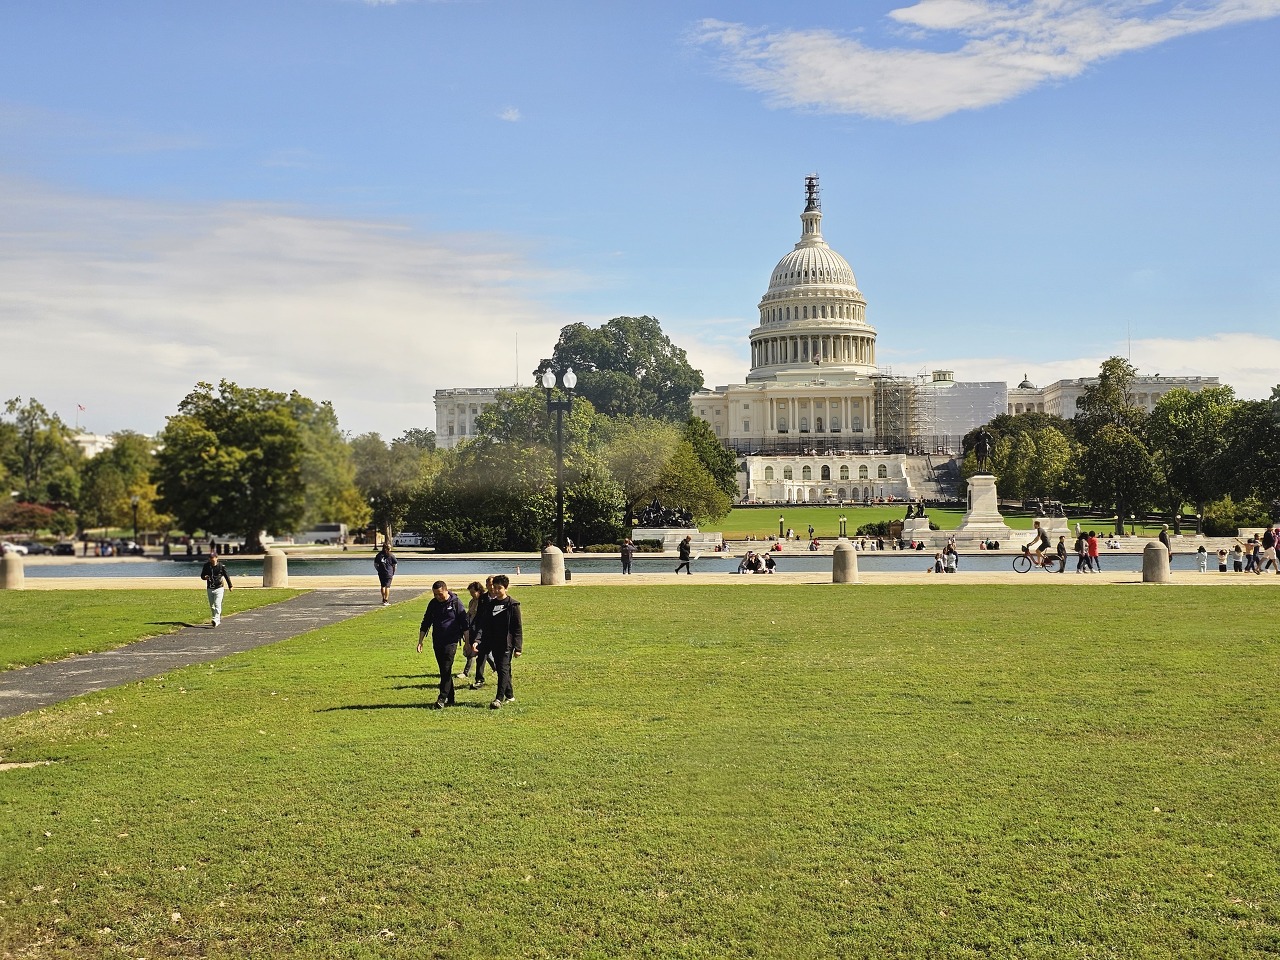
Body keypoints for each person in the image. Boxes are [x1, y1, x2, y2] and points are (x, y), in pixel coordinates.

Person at [471, 574, 522, 709]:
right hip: (493, 642)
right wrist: (477, 640)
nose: (497, 590)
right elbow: (483, 624)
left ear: (506, 588)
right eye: (495, 587)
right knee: (501, 669)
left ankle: (499, 698)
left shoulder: (513, 605)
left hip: (507, 644)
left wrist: (518, 647)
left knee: (503, 669)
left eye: (500, 588)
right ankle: (510, 695)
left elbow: (517, 628)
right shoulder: (491, 605)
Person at [417, 580, 469, 709]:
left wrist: (467, 642)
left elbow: (465, 624)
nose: (438, 596)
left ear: (446, 590)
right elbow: (426, 622)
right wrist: (420, 641)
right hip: (437, 640)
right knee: (444, 670)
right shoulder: (433, 604)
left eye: (440, 594)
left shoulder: (456, 602)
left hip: (451, 641)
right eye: (435, 594)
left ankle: (442, 697)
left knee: (446, 667)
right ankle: (451, 698)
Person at [470, 576, 497, 689]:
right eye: (489, 584)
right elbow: (480, 617)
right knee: (481, 657)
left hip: (498, 633)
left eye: (493, 584)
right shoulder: (483, 599)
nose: (491, 587)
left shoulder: (501, 598)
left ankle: (504, 678)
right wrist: (477, 637)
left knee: (501, 658)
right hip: (485, 632)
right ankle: (479, 680)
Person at [458, 581, 485, 681]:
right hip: (471, 628)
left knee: (473, 652)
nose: (472, 594)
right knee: (482, 652)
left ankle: (466, 672)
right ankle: (495, 667)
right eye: (470, 592)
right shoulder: (472, 601)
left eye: (473, 592)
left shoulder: (483, 602)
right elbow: (469, 614)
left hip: (479, 629)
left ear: (479, 591)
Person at [199, 549, 233, 628]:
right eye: (210, 558)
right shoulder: (206, 566)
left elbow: (226, 576)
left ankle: (216, 619)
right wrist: (205, 577)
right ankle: (216, 618)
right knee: (212, 606)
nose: (212, 559)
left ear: (216, 558)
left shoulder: (221, 566)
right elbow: (202, 575)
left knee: (217, 604)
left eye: (213, 558)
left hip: (219, 588)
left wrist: (230, 585)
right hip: (210, 588)